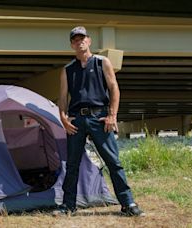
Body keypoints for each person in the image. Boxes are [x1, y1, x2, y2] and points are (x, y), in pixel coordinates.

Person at [58, 26, 145, 216]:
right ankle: (68, 206)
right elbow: (63, 97)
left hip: (100, 118)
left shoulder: (102, 62)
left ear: (89, 41)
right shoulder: (67, 70)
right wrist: (63, 118)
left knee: (114, 162)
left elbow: (114, 88)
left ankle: (128, 203)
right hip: (76, 121)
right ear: (71, 44)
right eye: (75, 39)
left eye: (82, 38)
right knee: (72, 165)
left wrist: (112, 115)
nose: (79, 41)